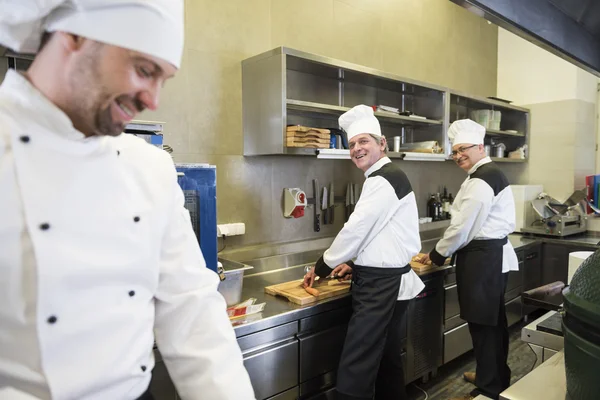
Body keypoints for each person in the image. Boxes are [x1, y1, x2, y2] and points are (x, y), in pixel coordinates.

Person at [0, 1, 255, 399]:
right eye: (144, 70)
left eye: (163, 80)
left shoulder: (150, 168)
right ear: (75, 36)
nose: (153, 100)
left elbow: (195, 317)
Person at [303, 105, 424, 400]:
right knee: (385, 361)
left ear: (382, 143)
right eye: (352, 144)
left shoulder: (384, 178)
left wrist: (321, 266)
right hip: (386, 282)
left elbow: (356, 230)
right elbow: (379, 236)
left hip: (380, 288)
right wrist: (355, 265)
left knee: (354, 372)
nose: (356, 149)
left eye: (364, 141)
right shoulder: (382, 176)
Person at [417, 119, 518, 400]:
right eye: (455, 151)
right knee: (493, 324)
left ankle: (488, 388)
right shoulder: (486, 173)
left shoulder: (482, 179)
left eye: (463, 149)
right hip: (490, 257)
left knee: (483, 325)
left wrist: (437, 254)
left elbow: (463, 227)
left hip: (483, 258)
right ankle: (494, 375)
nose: (458, 155)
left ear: (480, 147)